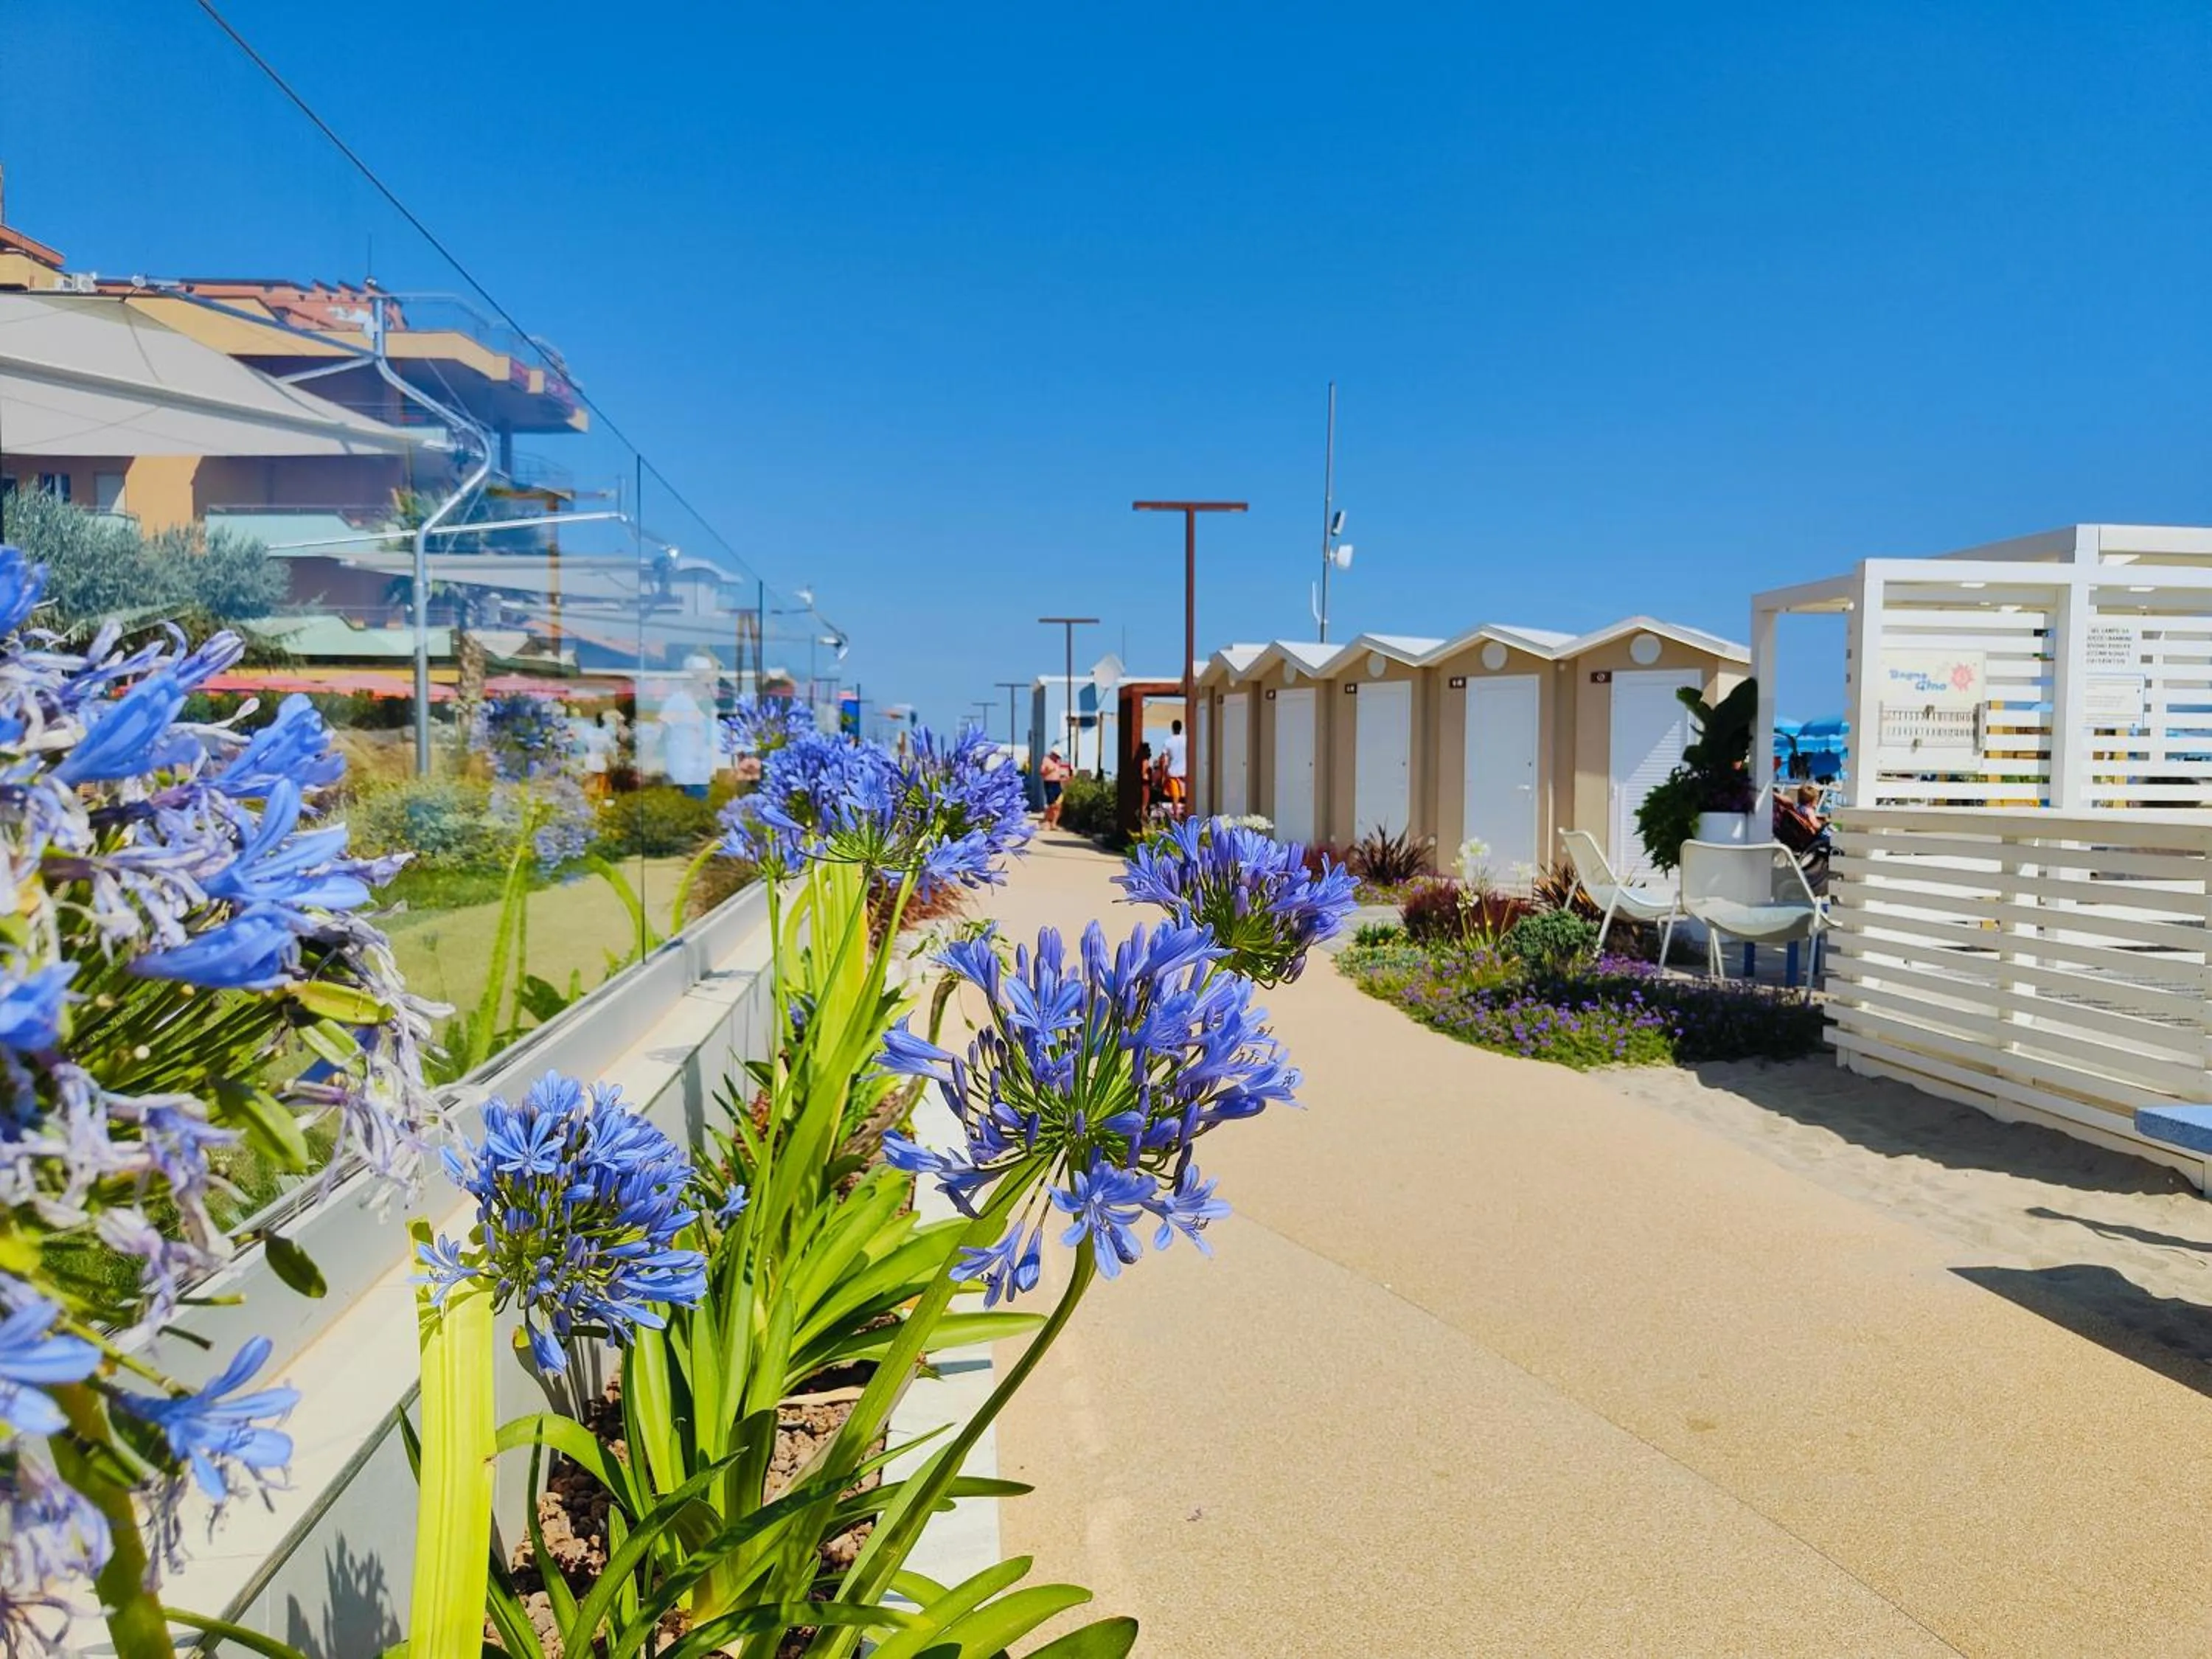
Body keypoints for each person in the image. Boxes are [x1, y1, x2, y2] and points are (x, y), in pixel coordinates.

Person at [1039, 746, 1070, 827]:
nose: (1057, 758)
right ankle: (1047, 820)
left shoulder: (1058, 763)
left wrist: (1064, 777)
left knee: (1059, 804)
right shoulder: (1046, 760)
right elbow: (1042, 772)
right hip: (1049, 783)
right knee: (1051, 804)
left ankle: (1054, 823)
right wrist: (1050, 770)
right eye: (1056, 756)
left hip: (1057, 783)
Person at [1163, 718, 1188, 818]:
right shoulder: (1186, 739)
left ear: (1172, 728)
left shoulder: (1168, 742)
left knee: (1175, 797)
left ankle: (1175, 816)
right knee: (1186, 796)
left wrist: (1163, 774)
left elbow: (1163, 759)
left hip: (1173, 773)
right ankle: (1186, 816)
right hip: (1185, 773)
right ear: (1181, 728)